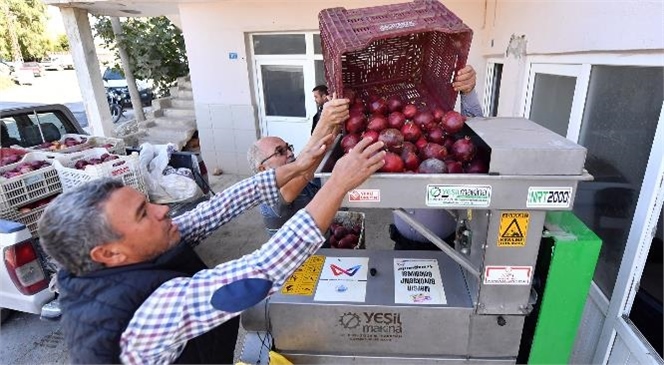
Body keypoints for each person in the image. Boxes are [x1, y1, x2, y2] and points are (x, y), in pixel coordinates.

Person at [38, 124, 385, 364]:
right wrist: (336, 185)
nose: (163, 210)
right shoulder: (146, 313)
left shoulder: (118, 260)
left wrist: (301, 165)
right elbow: (259, 271)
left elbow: (217, 208)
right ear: (108, 252)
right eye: (143, 213)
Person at [391, 64, 484, 250]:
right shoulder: (400, 135)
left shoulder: (448, 135)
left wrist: (468, 92)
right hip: (402, 241)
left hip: (447, 246)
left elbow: (476, 132)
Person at [248, 97, 348, 236]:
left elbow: (314, 158)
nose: (289, 153)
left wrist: (335, 126)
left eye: (288, 147)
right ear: (262, 168)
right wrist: (325, 120)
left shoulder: (296, 176)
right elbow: (305, 169)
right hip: (299, 257)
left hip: (321, 246)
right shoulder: (269, 198)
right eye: (280, 152)